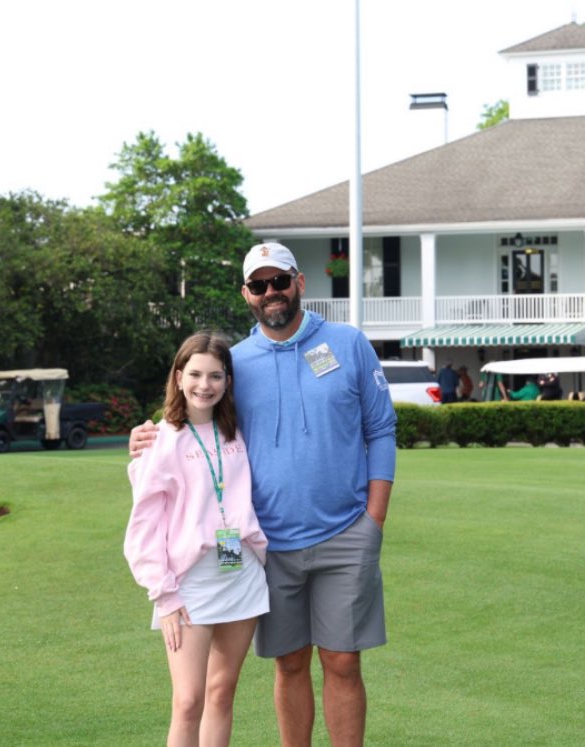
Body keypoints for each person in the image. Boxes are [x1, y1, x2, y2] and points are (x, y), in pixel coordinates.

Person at [129, 242, 397, 747]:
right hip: (267, 546)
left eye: (280, 281)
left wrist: (374, 520)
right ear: (247, 294)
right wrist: (144, 437)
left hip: (345, 533)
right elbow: (195, 409)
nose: (271, 292)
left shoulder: (348, 343)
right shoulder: (238, 363)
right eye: (259, 284)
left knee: (342, 661)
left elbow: (380, 429)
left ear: (300, 282)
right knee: (290, 662)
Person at [124, 331, 269, 747]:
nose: (205, 385)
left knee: (222, 693)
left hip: (240, 574)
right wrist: (164, 596)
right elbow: (143, 527)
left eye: (216, 376)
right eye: (195, 374)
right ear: (178, 376)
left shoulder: (236, 432)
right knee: (188, 701)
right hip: (190, 585)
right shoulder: (161, 440)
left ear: (227, 381)